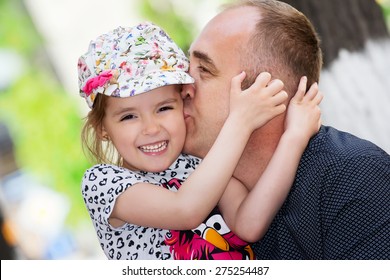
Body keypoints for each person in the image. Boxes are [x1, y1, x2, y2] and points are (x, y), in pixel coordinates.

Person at [78, 22, 322, 260]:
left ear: (182, 102)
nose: (151, 128)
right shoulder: (103, 183)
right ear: (102, 128)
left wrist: (294, 137)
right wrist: (240, 122)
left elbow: (250, 224)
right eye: (129, 116)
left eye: (163, 108)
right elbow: (184, 211)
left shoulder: (198, 163)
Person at [183, 0, 390, 259]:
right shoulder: (176, 180)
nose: (182, 87)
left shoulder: (353, 178)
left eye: (203, 70)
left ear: (266, 94)